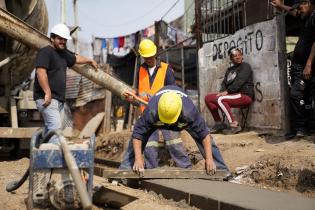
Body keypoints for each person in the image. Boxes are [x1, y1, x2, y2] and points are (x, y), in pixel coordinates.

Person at [120, 85, 230, 177]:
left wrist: (209, 159)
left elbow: (204, 135)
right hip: (159, 115)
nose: (168, 125)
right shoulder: (151, 111)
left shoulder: (189, 112)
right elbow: (138, 135)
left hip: (181, 117)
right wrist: (139, 159)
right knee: (138, 136)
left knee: (205, 139)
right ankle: (125, 171)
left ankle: (221, 169)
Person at [123, 39, 191, 169]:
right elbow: (138, 90)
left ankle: (186, 167)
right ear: (142, 56)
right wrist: (132, 95)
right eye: (146, 57)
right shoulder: (140, 71)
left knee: (173, 141)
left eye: (150, 56)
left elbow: (173, 92)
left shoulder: (166, 69)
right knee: (150, 143)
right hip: (147, 113)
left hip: (165, 111)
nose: (148, 59)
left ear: (155, 54)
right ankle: (151, 170)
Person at [34, 23, 98, 143]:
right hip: (48, 99)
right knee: (56, 129)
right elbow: (40, 72)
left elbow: (76, 58)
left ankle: (41, 154)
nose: (62, 41)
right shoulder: (46, 52)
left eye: (64, 39)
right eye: (60, 39)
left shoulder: (63, 54)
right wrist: (47, 92)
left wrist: (89, 60)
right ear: (52, 38)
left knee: (51, 131)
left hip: (58, 100)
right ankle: (55, 158)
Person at [271, 0, 315, 138]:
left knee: (297, 94)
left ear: (307, 3)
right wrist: (281, 6)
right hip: (298, 66)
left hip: (307, 66)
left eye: (300, 7)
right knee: (299, 96)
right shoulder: (306, 15)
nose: (299, 11)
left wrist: (309, 64)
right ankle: (300, 128)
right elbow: (294, 11)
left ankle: (304, 128)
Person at [204, 47, 254, 134]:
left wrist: (227, 92)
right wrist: (222, 91)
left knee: (220, 99)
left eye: (239, 55)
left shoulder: (245, 66)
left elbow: (239, 82)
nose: (238, 57)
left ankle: (234, 125)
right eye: (235, 56)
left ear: (242, 56)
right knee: (208, 98)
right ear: (231, 59)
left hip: (244, 95)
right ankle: (219, 123)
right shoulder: (230, 70)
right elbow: (224, 83)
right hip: (232, 95)